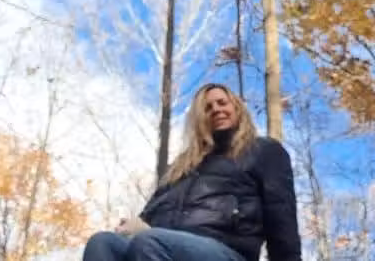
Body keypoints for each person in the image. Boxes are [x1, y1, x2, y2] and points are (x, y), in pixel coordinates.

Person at [82, 83, 301, 261]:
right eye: (207, 107)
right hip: (163, 245)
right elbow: (151, 215)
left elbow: (280, 214)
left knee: (149, 242)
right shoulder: (182, 165)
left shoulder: (263, 150)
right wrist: (136, 225)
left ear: (237, 108)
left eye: (222, 103)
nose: (216, 109)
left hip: (227, 251)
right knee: (103, 243)